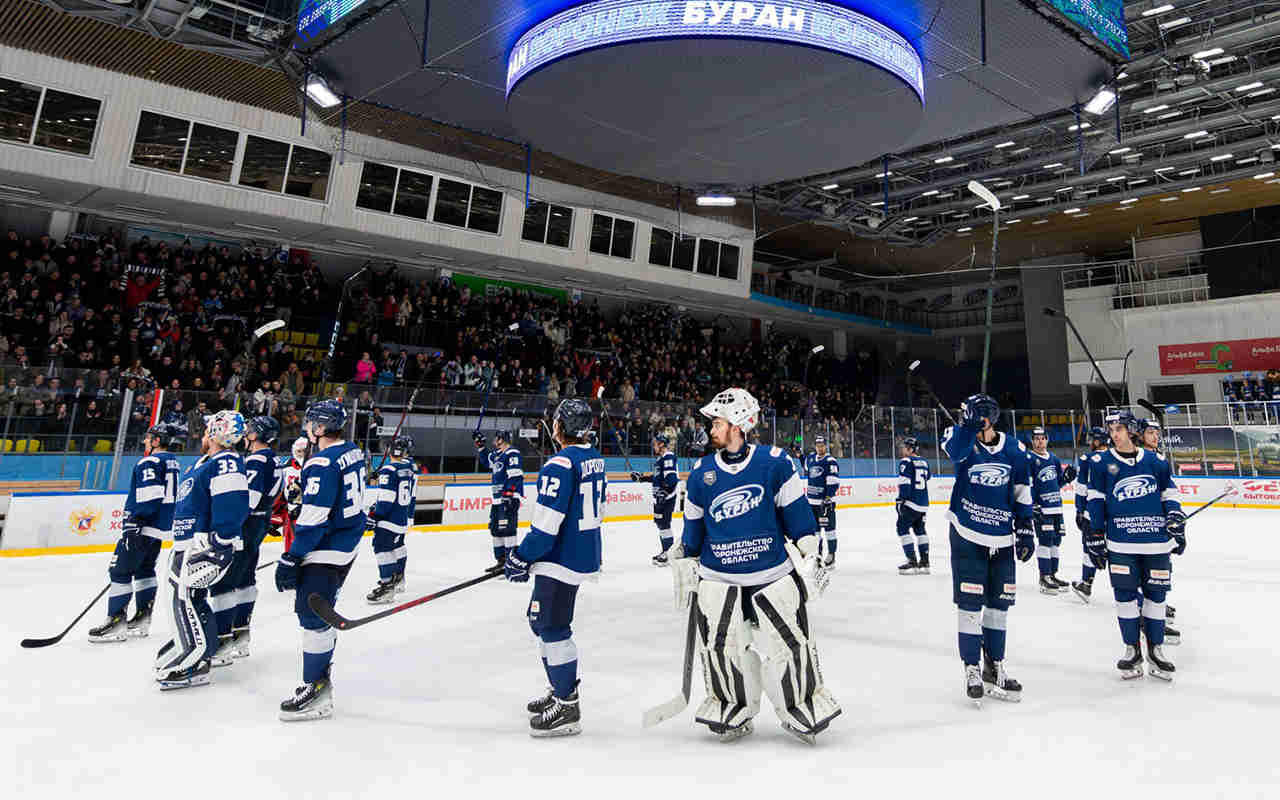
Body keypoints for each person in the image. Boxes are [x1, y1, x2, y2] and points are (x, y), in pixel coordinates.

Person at [669, 387, 840, 744]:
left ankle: (799, 703)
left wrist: (811, 554)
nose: (711, 429)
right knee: (723, 647)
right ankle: (733, 704)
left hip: (771, 577)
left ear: (737, 425)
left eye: (717, 423)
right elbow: (693, 531)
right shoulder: (701, 473)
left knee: (788, 646)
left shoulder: (775, 463)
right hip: (720, 580)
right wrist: (683, 555)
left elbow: (798, 519)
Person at [504, 398, 605, 738]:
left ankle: (567, 704)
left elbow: (547, 524)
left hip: (560, 557)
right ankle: (559, 688)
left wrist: (522, 556)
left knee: (552, 625)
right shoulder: (593, 458)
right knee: (543, 622)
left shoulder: (560, 464)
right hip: (579, 552)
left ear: (561, 426)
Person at [274, 399, 367, 721]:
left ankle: (316, 688)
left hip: (325, 549)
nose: (307, 426)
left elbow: (313, 519)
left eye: (311, 421)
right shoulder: (352, 451)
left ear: (322, 427)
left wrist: (292, 556)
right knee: (321, 613)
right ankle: (320, 676)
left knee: (311, 617)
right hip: (347, 544)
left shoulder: (321, 462)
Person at [942, 393, 1034, 706]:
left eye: (968, 413)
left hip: (1002, 538)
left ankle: (995, 666)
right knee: (969, 605)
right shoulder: (959, 436)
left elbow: (1021, 489)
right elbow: (956, 452)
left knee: (998, 606)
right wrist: (969, 427)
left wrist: (1025, 527)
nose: (962, 417)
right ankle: (971, 667)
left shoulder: (1014, 448)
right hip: (966, 534)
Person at [1085, 410, 1184, 681]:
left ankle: (1156, 650)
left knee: (1156, 598)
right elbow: (1096, 500)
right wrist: (1095, 533)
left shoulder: (1155, 461)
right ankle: (1132, 649)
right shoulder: (1101, 463)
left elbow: (1169, 493)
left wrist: (1176, 518)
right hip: (1121, 544)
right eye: (1111, 430)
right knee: (1125, 599)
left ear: (1131, 431)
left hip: (1156, 544)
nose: (1113, 434)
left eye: (1118, 429)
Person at [155, 410, 249, 690]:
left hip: (204, 543)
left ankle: (194, 660)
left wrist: (221, 542)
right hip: (188, 543)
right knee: (184, 596)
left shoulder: (226, 462)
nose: (204, 433)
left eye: (209, 429)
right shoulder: (206, 462)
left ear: (218, 433)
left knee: (184, 595)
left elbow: (231, 506)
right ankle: (197, 648)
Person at [88, 424, 181, 642]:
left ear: (157, 441)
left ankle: (116, 623)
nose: (145, 441)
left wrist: (135, 523)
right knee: (144, 570)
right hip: (158, 529)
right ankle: (142, 619)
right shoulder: (172, 461)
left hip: (142, 527)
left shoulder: (150, 461)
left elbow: (150, 495)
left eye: (149, 438)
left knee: (119, 572)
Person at [210, 415, 281, 666]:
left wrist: (228, 524)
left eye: (249, 429)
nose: (245, 433)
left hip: (246, 524)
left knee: (225, 582)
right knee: (245, 578)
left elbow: (248, 499)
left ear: (256, 434)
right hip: (259, 523)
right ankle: (240, 635)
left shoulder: (257, 460)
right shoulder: (274, 458)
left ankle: (222, 642)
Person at [1137, 417, 1180, 646]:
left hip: (1160, 524)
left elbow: (1168, 490)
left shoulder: (1160, 457)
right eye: (1150, 432)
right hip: (1143, 525)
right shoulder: (1139, 457)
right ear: (1140, 434)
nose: (1155, 436)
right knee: (1147, 572)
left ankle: (1154, 610)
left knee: (1162, 570)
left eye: (1157, 432)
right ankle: (1149, 617)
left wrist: (1173, 515)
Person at [366, 434, 417, 604]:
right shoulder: (407, 468)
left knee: (382, 549)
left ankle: (387, 587)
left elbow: (386, 498)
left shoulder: (389, 470)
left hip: (388, 519)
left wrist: (375, 515)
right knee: (395, 546)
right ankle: (397, 579)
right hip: (401, 516)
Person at [1027, 426, 1074, 595]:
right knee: (1045, 541)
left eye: (1042, 438)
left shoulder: (1053, 458)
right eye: (1036, 439)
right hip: (1042, 508)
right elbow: (1029, 484)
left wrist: (1067, 478)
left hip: (1056, 507)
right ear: (1032, 441)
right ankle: (1044, 576)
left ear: (1047, 439)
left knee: (1056, 542)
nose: (1040, 442)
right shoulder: (1029, 459)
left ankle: (1053, 575)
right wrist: (1033, 504)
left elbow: (1057, 482)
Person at [1071, 427, 1110, 602]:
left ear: (1097, 440)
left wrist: (1079, 509)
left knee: (1090, 548)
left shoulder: (1087, 459)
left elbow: (1081, 488)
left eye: (1092, 439)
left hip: (1092, 512)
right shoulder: (1115, 456)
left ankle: (1086, 583)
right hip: (1115, 513)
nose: (1089, 442)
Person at [474, 429, 524, 566]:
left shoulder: (512, 453)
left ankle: (510, 561)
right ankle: (500, 560)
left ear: (501, 439)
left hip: (508, 498)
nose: (494, 440)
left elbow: (515, 475)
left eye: (496, 438)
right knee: (495, 530)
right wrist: (481, 446)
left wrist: (509, 494)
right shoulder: (497, 454)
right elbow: (486, 461)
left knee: (508, 530)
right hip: (497, 500)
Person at [631, 433, 679, 566]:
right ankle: (665, 551)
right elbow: (657, 477)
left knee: (665, 524)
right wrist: (642, 478)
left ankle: (669, 554)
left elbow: (672, 479)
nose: (653, 446)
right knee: (660, 524)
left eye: (655, 443)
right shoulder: (660, 459)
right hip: (659, 497)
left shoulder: (668, 457)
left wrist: (665, 492)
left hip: (666, 498)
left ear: (662, 444)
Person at [895, 436, 930, 575]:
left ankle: (912, 562)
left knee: (902, 528)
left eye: (904, 447)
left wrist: (901, 500)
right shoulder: (924, 462)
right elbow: (927, 477)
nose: (902, 450)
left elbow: (905, 483)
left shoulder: (906, 461)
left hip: (911, 503)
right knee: (920, 530)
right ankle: (925, 563)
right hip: (923, 503)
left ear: (910, 449)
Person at [803, 435, 840, 567]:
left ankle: (831, 556)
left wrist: (828, 498)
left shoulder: (830, 461)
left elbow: (834, 482)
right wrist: (799, 455)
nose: (820, 448)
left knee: (829, 530)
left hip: (825, 504)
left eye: (822, 445)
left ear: (826, 446)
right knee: (815, 532)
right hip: (812, 503)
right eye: (818, 445)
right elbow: (806, 468)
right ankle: (817, 556)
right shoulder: (811, 458)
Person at [273, 436, 309, 551]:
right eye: (299, 451)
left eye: (304, 451)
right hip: (291, 517)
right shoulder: (286, 470)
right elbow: (281, 497)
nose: (302, 454)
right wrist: (274, 519)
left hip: (310, 515)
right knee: (290, 549)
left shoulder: (317, 467)